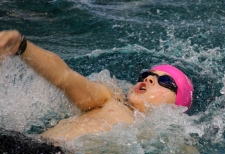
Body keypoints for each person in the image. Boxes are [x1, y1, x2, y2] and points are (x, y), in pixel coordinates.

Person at [0, 30, 193, 145]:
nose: (150, 79)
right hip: (36, 150)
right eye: (147, 75)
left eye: (165, 81)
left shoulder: (167, 137)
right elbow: (65, 77)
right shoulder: (111, 98)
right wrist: (22, 47)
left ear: (178, 106)